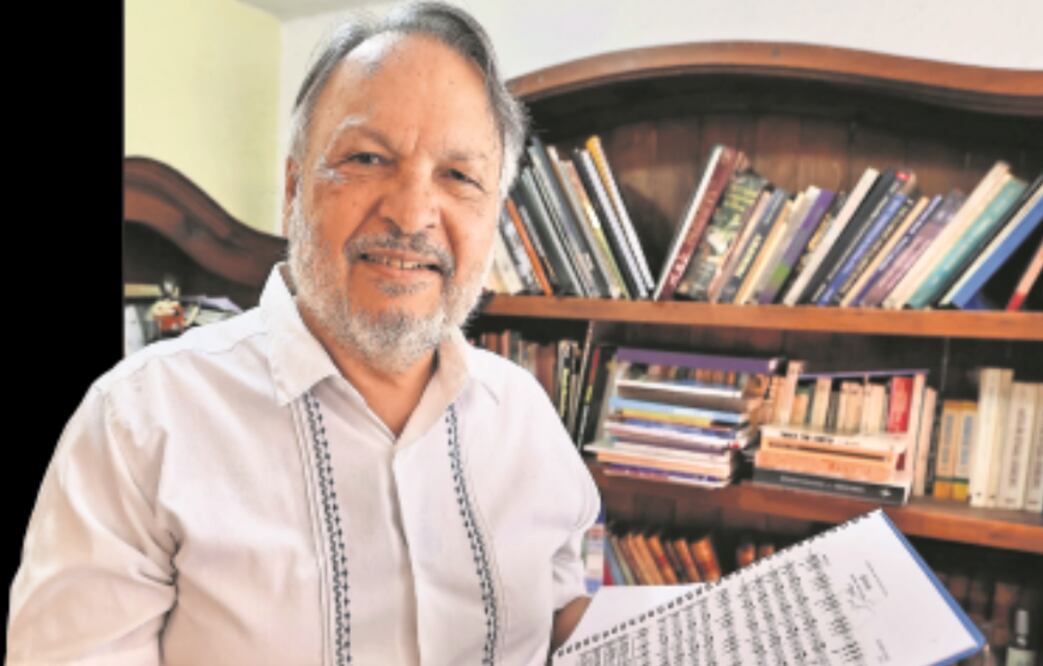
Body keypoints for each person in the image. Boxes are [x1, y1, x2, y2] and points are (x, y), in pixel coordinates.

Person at [7, 3, 601, 664]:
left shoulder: (527, 418)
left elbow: (562, 613)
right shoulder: (137, 426)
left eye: (459, 176)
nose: (410, 213)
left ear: (494, 213)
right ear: (294, 189)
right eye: (368, 158)